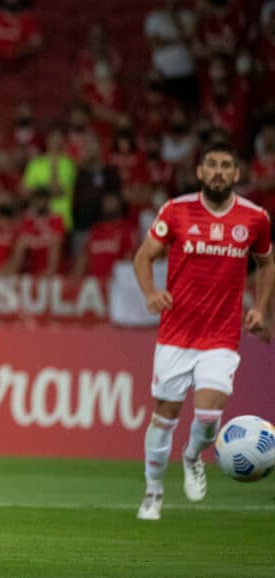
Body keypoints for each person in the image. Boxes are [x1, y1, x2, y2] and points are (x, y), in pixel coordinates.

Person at [133, 142, 275, 521]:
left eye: (226, 166)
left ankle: (192, 456)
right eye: (211, 164)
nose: (218, 172)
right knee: (164, 415)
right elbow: (144, 255)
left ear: (236, 174)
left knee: (210, 418)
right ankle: (153, 491)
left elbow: (267, 263)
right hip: (176, 334)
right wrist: (151, 293)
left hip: (221, 337)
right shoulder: (176, 211)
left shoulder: (255, 218)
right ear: (200, 172)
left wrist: (261, 309)